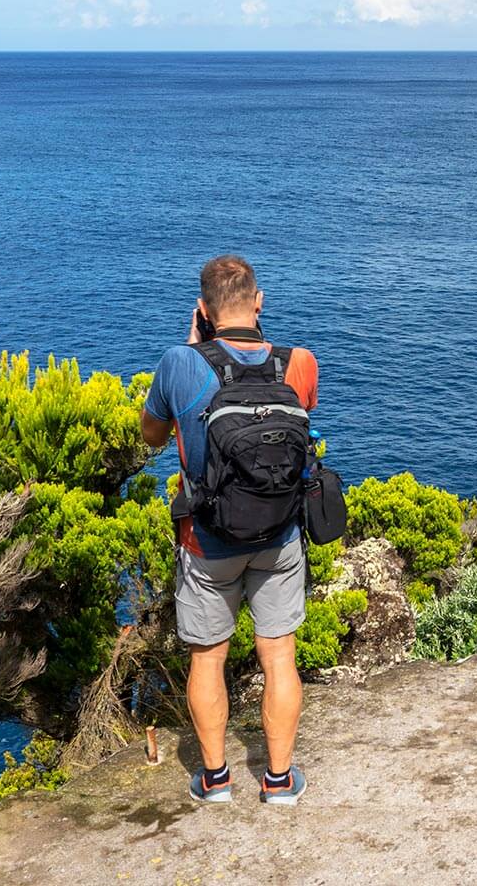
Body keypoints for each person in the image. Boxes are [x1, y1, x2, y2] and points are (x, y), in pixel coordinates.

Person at [140, 254, 319, 806]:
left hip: (206, 540)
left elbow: (151, 436)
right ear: (259, 302)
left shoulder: (178, 361)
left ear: (203, 310)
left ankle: (216, 781)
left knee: (208, 658)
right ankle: (280, 781)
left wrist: (194, 350)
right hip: (280, 538)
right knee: (279, 656)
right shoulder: (301, 361)